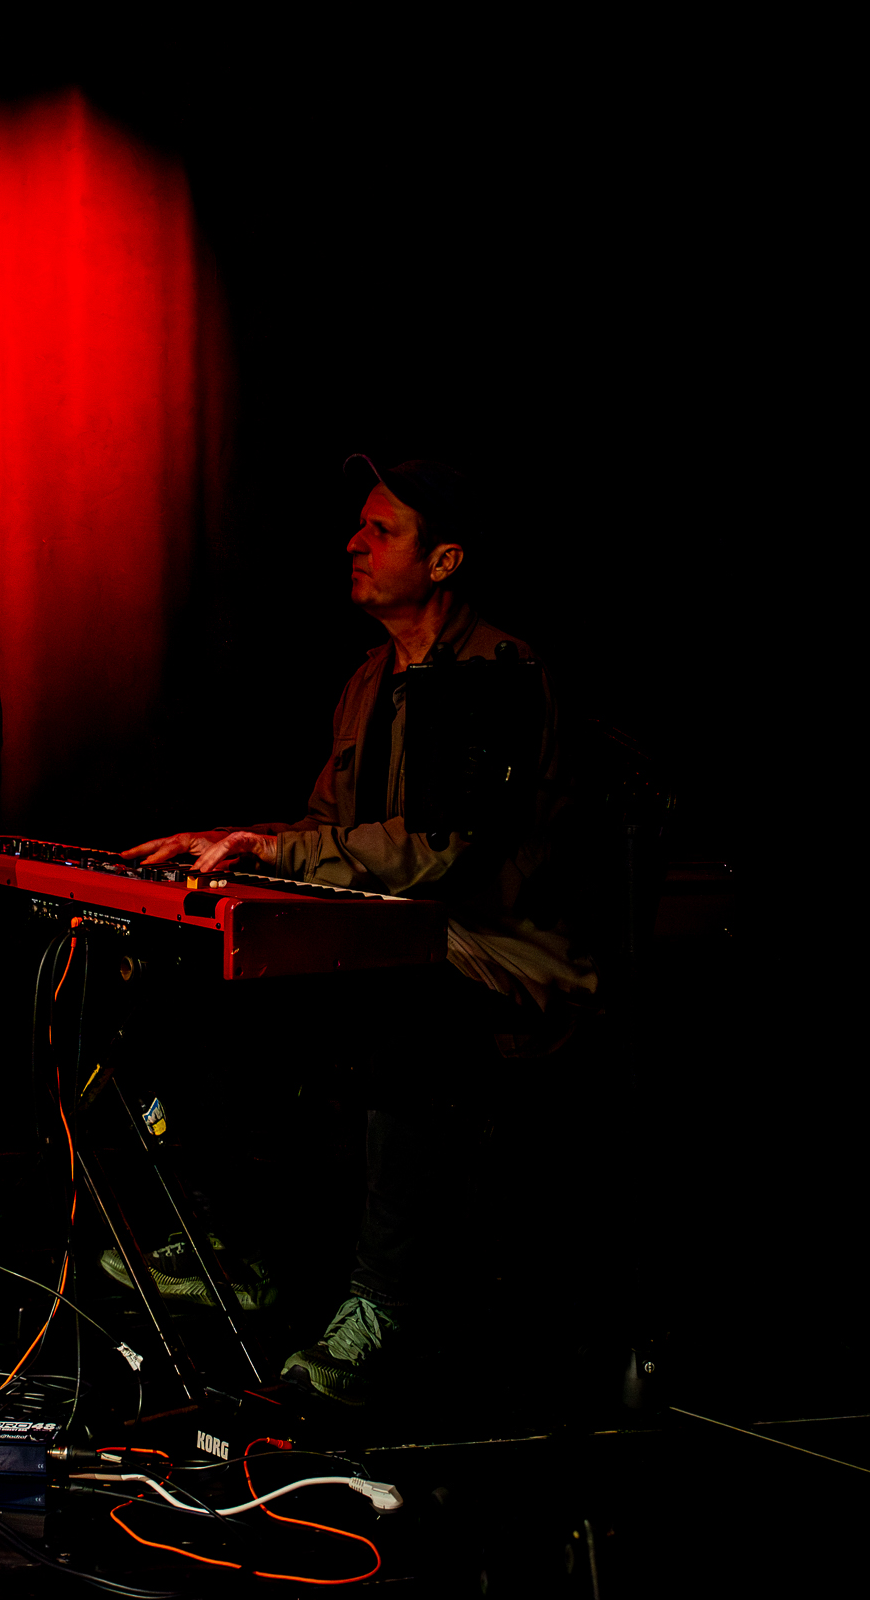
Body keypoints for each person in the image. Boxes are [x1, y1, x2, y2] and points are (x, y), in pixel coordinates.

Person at [121, 457, 596, 1405]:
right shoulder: (367, 682)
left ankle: (385, 1306)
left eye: (382, 530)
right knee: (196, 980)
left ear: (445, 559)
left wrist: (279, 852)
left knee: (402, 1019)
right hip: (396, 940)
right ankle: (232, 1244)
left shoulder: (500, 675)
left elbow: (444, 853)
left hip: (496, 953)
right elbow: (328, 832)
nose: (354, 543)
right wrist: (231, 844)